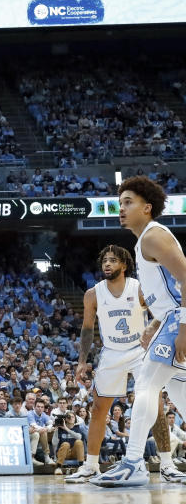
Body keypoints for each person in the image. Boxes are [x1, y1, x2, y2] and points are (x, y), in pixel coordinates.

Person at [93, 177, 186, 487]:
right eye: (120, 204)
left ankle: (133, 463)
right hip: (170, 319)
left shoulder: (153, 236)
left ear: (147, 208)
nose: (122, 209)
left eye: (128, 202)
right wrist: (155, 323)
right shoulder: (145, 239)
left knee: (146, 382)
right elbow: (170, 291)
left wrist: (181, 327)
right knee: (180, 394)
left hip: (179, 319)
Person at [67, 245, 182, 482]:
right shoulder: (92, 294)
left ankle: (167, 465)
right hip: (111, 352)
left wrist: (153, 332)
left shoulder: (139, 289)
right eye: (104, 261)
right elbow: (87, 329)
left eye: (112, 260)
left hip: (140, 351)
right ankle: (90, 466)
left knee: (156, 406)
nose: (107, 265)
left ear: (124, 265)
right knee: (99, 409)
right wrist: (82, 362)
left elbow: (162, 313)